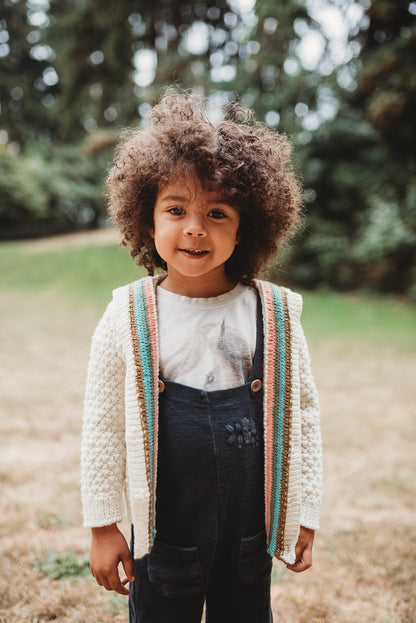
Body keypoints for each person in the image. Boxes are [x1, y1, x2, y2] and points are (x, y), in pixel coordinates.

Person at [81, 89, 323, 623]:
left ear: (246, 228)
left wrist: (303, 510)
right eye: (176, 209)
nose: (195, 226)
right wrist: (103, 526)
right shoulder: (126, 314)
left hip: (248, 532)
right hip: (165, 531)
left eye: (218, 212)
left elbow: (302, 412)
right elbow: (102, 426)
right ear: (147, 220)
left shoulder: (275, 314)